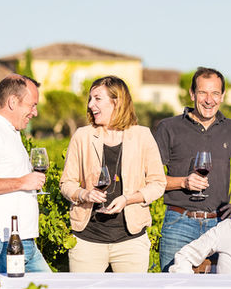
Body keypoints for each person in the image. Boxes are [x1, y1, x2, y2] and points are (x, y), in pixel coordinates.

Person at [153, 67, 231, 271]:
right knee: (173, 287)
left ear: (222, 96)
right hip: (178, 224)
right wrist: (183, 182)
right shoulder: (168, 128)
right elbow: (150, 178)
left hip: (220, 225)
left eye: (215, 93)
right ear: (192, 94)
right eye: (203, 92)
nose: (209, 99)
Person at [58, 76, 166, 272]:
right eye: (90, 99)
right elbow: (66, 183)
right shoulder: (82, 136)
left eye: (97, 99)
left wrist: (128, 199)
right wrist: (84, 194)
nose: (91, 105)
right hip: (87, 241)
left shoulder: (142, 136)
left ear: (117, 101)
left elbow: (158, 183)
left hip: (131, 242)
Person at [0, 74, 51, 273]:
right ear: (13, 102)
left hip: (21, 241)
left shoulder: (9, 132)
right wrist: (23, 182)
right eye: (32, 105)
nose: (35, 113)